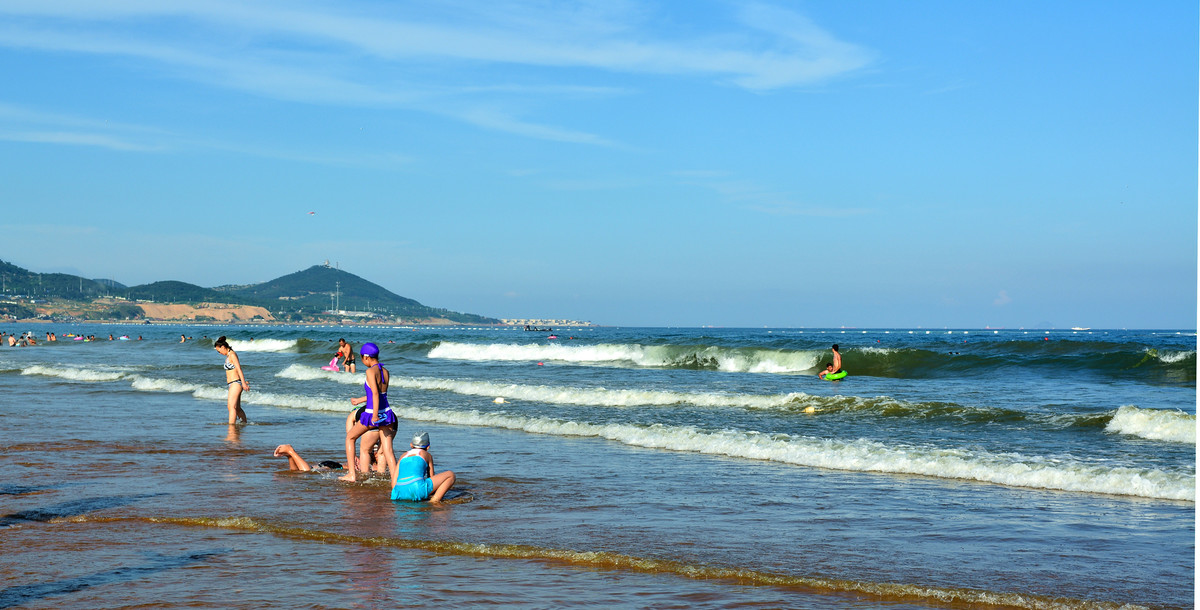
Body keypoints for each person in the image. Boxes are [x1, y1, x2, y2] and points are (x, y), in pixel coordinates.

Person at [339, 342, 396, 482]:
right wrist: (360, 400)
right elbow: (381, 394)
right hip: (387, 412)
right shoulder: (385, 371)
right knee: (388, 450)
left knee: (350, 438)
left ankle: (352, 474)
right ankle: (396, 481)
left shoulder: (370, 371)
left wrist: (374, 415)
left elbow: (375, 394)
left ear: (366, 357)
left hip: (372, 413)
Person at [391, 432, 456, 503]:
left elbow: (394, 481)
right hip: (417, 488)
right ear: (428, 447)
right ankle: (434, 500)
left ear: (411, 445)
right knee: (451, 475)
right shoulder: (427, 455)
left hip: (397, 492)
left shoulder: (403, 456)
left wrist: (397, 491)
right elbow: (431, 476)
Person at [213, 336, 249, 424]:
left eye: (219, 351)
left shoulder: (232, 355)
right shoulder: (228, 355)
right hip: (233, 383)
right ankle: (244, 424)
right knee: (237, 408)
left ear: (223, 347)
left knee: (231, 407)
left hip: (236, 383)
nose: (219, 353)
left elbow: (239, 369)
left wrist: (243, 383)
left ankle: (231, 427)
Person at [273, 444, 344, 471]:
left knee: (296, 471)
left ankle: (290, 456)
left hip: (332, 464)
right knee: (306, 471)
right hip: (335, 466)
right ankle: (290, 451)